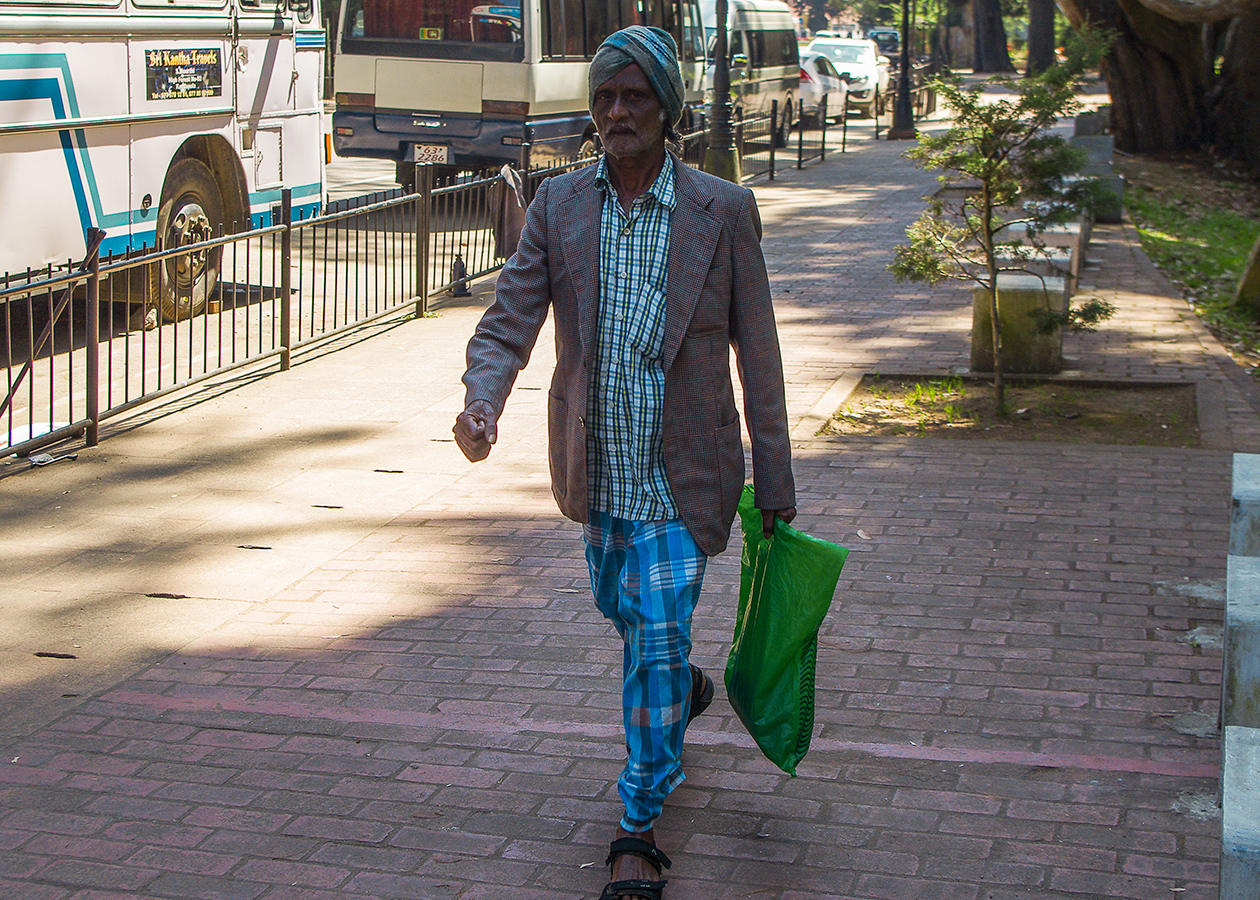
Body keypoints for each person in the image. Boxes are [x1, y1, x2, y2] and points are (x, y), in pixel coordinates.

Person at [453, 25, 795, 900]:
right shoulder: (559, 207)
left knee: (657, 630)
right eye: (604, 98)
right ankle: (680, 688)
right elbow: (509, 319)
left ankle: (637, 827)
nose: (615, 112)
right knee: (627, 612)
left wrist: (777, 484)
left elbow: (760, 355)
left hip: (686, 476)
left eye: (634, 96)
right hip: (598, 468)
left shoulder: (722, 211)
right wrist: (482, 399)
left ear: (667, 108)